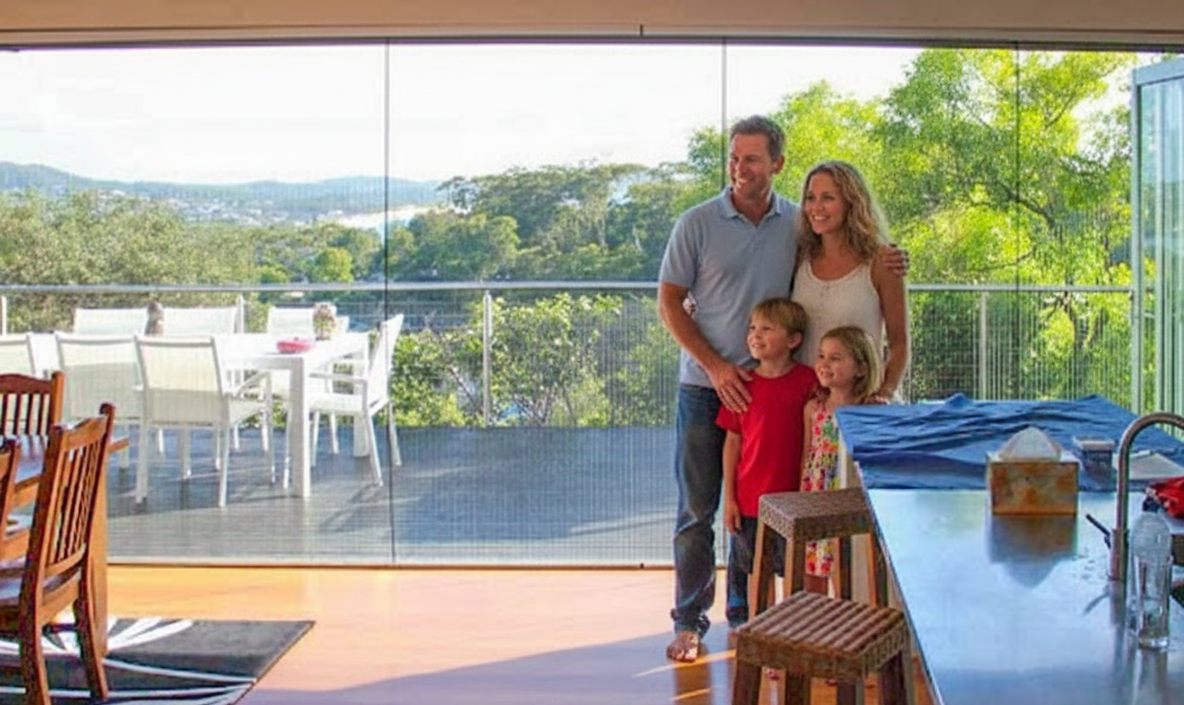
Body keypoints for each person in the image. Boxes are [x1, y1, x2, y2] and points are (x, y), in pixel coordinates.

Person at [657, 118, 908, 663]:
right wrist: (717, 366)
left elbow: (860, 266)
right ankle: (690, 621)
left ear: (777, 164)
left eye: (752, 159)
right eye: (734, 158)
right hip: (708, 387)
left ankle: (765, 620)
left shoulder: (796, 227)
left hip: (787, 396)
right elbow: (670, 302)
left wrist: (893, 260)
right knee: (700, 511)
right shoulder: (697, 223)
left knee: (784, 511)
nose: (740, 169)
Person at [715, 297, 816, 629]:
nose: (755, 335)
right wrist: (729, 498)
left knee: (791, 566)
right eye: (752, 328)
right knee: (749, 565)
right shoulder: (742, 385)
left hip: (792, 498)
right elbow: (732, 441)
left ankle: (790, 625)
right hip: (749, 501)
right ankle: (750, 623)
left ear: (793, 340)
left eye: (767, 329)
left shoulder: (809, 382)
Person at [791, 160, 909, 402]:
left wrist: (884, 394)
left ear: (852, 203)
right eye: (810, 198)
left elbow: (900, 343)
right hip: (807, 404)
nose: (816, 207)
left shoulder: (882, 262)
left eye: (828, 198)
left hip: (861, 402)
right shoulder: (799, 257)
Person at [799, 325, 883, 594]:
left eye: (835, 358)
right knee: (815, 560)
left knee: (846, 561)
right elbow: (807, 453)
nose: (824, 364)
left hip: (851, 493)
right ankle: (814, 626)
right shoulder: (814, 408)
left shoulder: (871, 411)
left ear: (860, 368)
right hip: (819, 493)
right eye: (821, 356)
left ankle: (848, 622)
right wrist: (803, 495)